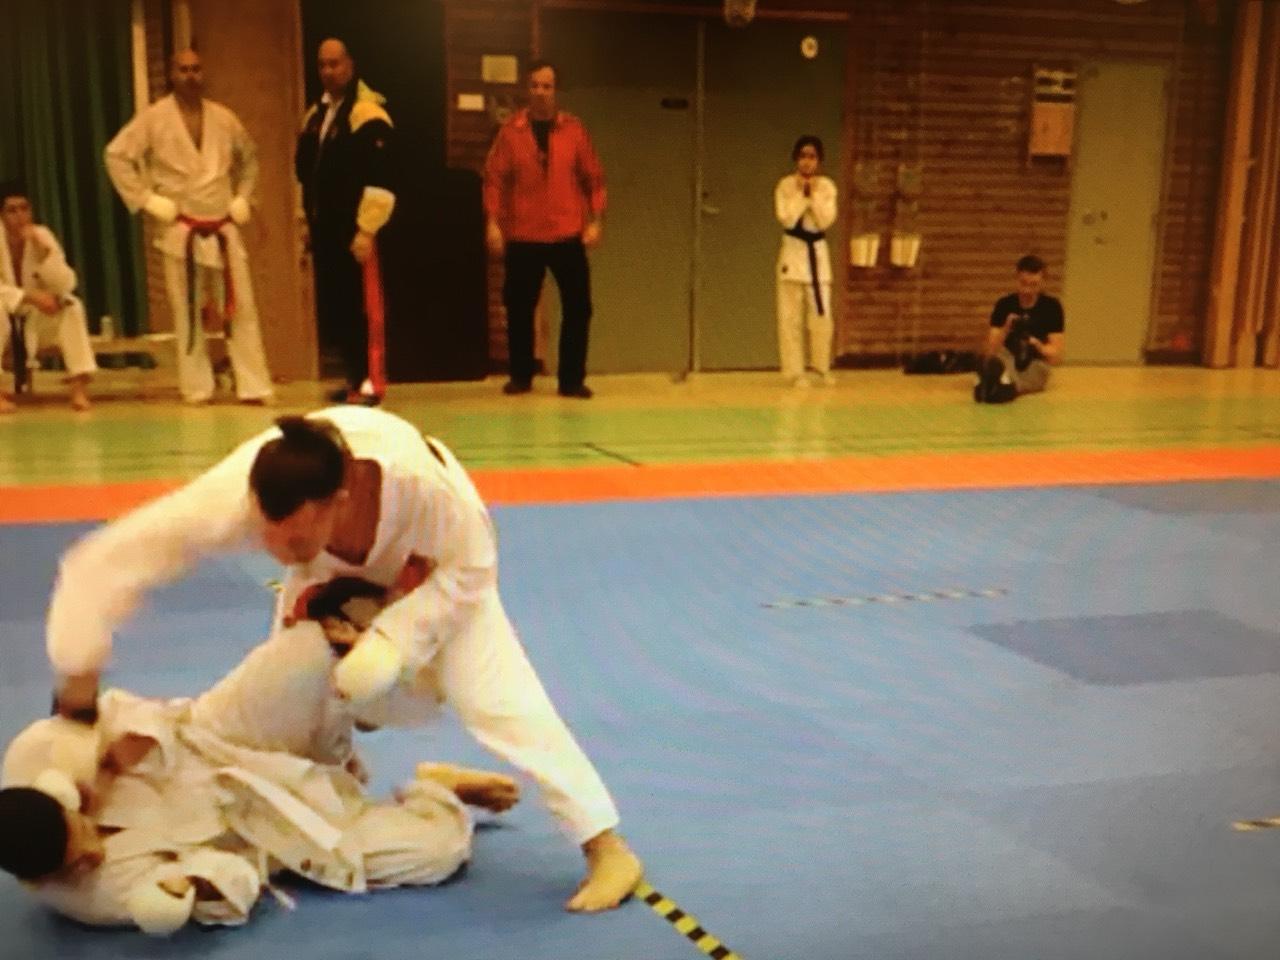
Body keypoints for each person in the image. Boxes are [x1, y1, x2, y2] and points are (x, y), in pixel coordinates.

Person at [44, 406, 643, 912]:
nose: (279, 552)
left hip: (441, 572)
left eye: (294, 541)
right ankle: (402, 785)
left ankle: (604, 845)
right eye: (267, 536)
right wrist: (76, 707)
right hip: (329, 574)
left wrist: (391, 642)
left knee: (494, 694)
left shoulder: (426, 493)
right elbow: (105, 561)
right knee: (293, 704)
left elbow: (473, 569)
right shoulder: (235, 498)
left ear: (340, 500)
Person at [0, 621, 515, 933]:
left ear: (59, 797)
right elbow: (233, 875)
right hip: (261, 831)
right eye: (78, 861)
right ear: (38, 880)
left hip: (210, 739)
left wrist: (116, 754)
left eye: (82, 833)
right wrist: (192, 886)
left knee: (308, 649)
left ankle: (342, 739)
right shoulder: (94, 899)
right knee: (438, 853)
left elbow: (112, 709)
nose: (93, 852)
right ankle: (436, 787)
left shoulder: (43, 753)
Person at [104, 49, 274, 406]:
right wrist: (146, 199)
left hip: (223, 225)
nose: (191, 75)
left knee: (241, 308)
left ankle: (254, 385)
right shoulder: (153, 118)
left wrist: (243, 197)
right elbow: (116, 155)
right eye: (183, 69)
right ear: (171, 74)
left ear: (203, 73)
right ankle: (197, 388)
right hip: (181, 228)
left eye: (196, 69)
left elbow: (250, 159)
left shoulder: (224, 118)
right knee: (186, 313)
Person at [484, 60, 605, 399]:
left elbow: (594, 178)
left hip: (567, 233)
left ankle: (571, 380)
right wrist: (492, 222)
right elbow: (494, 180)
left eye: (547, 86)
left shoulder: (574, 131)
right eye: (535, 85)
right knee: (519, 307)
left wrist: (596, 220)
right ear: (527, 89)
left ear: (556, 91)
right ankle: (521, 375)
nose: (540, 92)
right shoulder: (511, 133)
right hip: (523, 234)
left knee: (578, 306)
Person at [295, 38, 396, 406]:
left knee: (364, 309)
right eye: (322, 64)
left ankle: (372, 382)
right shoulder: (315, 116)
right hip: (326, 230)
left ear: (350, 66)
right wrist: (305, 221)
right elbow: (304, 175)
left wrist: (367, 229)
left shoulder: (368, 115)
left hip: (358, 232)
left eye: (335, 64)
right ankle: (354, 379)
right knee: (339, 308)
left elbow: (381, 177)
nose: (328, 71)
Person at [0, 182, 96, 412]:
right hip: (4, 314)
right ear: (1, 215)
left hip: (33, 320)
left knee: (71, 306)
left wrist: (44, 255)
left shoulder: (42, 235)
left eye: (24, 208)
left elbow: (67, 283)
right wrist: (29, 296)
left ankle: (78, 388)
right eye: (12, 210)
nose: (20, 216)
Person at [774, 135, 838, 388]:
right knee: (790, 318)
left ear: (819, 160)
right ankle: (795, 372)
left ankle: (821, 368)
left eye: (812, 157)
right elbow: (787, 218)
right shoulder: (785, 186)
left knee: (822, 315)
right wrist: (801, 194)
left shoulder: (827, 187)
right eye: (803, 156)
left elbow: (825, 220)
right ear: (796, 159)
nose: (807, 162)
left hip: (817, 257)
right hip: (793, 254)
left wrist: (813, 195)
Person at [975, 254, 1065, 403]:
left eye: (1034, 285)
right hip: (1008, 356)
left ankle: (1001, 386)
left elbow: (1056, 355)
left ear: (1043, 282)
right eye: (1023, 283)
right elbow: (990, 349)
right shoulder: (1004, 304)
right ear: (1016, 279)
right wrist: (1006, 329)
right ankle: (1001, 384)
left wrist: (1039, 346)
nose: (1027, 290)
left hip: (1035, 361)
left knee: (1034, 373)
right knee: (996, 362)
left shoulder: (1052, 307)